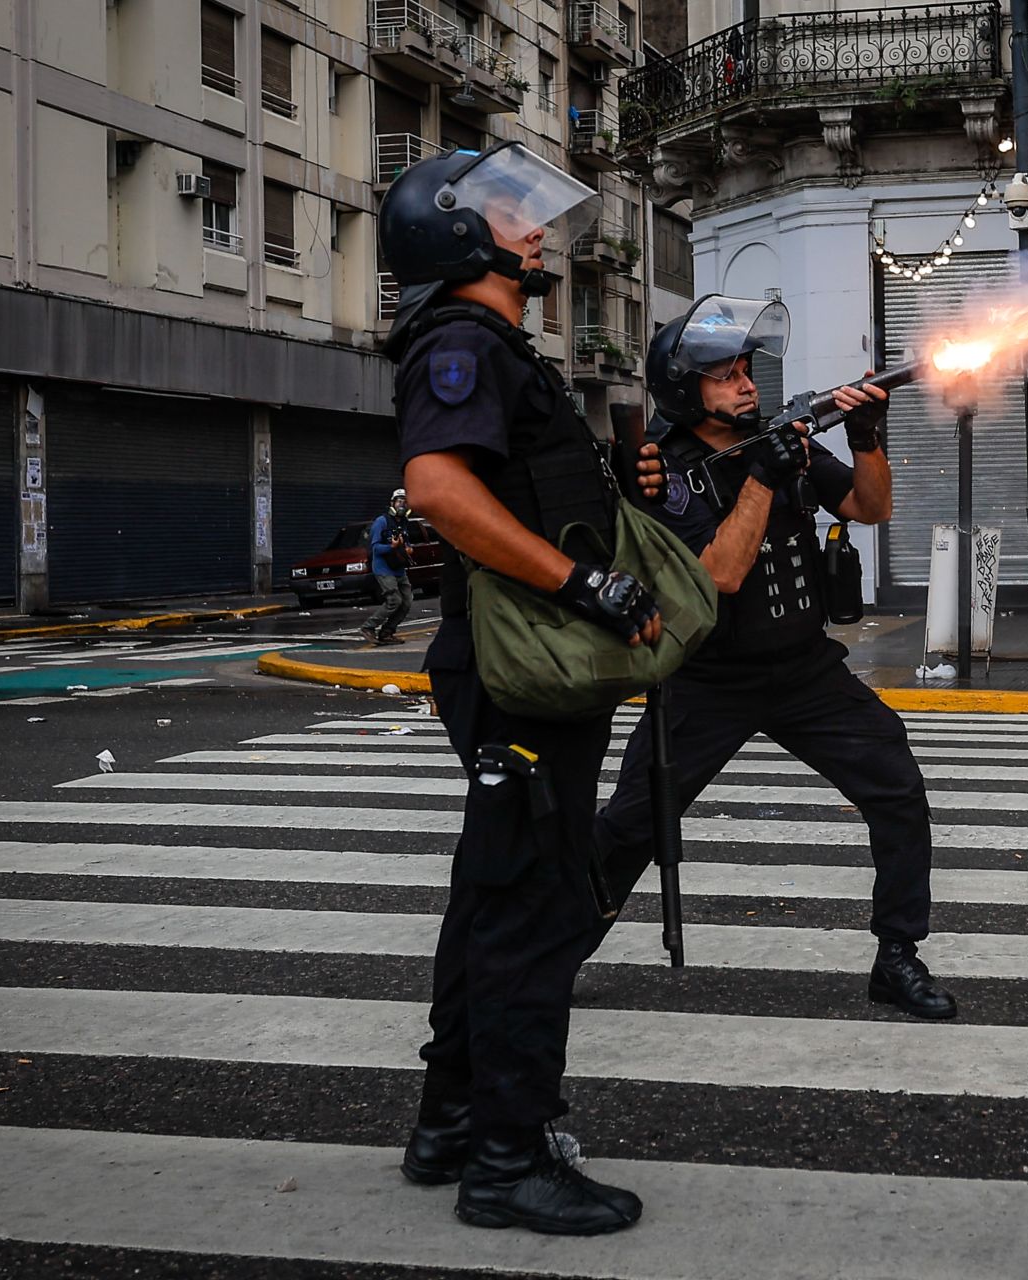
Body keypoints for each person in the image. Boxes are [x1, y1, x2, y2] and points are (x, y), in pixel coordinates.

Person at [379, 140, 663, 1236]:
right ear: (457, 234)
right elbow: (440, 488)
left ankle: (451, 1120)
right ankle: (508, 1157)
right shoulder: (460, 343)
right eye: (510, 213)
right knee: (534, 911)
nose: (536, 228)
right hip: (519, 675)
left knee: (491, 897)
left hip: (525, 675)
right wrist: (581, 579)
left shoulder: (499, 345)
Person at [593, 296, 957, 1020]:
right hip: (708, 677)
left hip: (802, 669)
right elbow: (718, 575)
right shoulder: (661, 472)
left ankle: (897, 955)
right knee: (635, 821)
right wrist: (760, 477)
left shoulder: (777, 438)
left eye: (746, 370)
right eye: (725, 376)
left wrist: (867, 436)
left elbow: (868, 508)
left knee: (896, 785)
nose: (746, 384)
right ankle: (550, 950)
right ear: (684, 390)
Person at [360, 487, 413, 645]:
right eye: (399, 501)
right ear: (392, 503)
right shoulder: (381, 522)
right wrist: (392, 546)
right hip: (384, 568)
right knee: (394, 600)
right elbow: (375, 547)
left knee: (407, 601)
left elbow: (406, 542)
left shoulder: (404, 522)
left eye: (404, 502)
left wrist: (408, 548)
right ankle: (369, 627)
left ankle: (387, 632)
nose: (402, 505)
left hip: (398, 567)